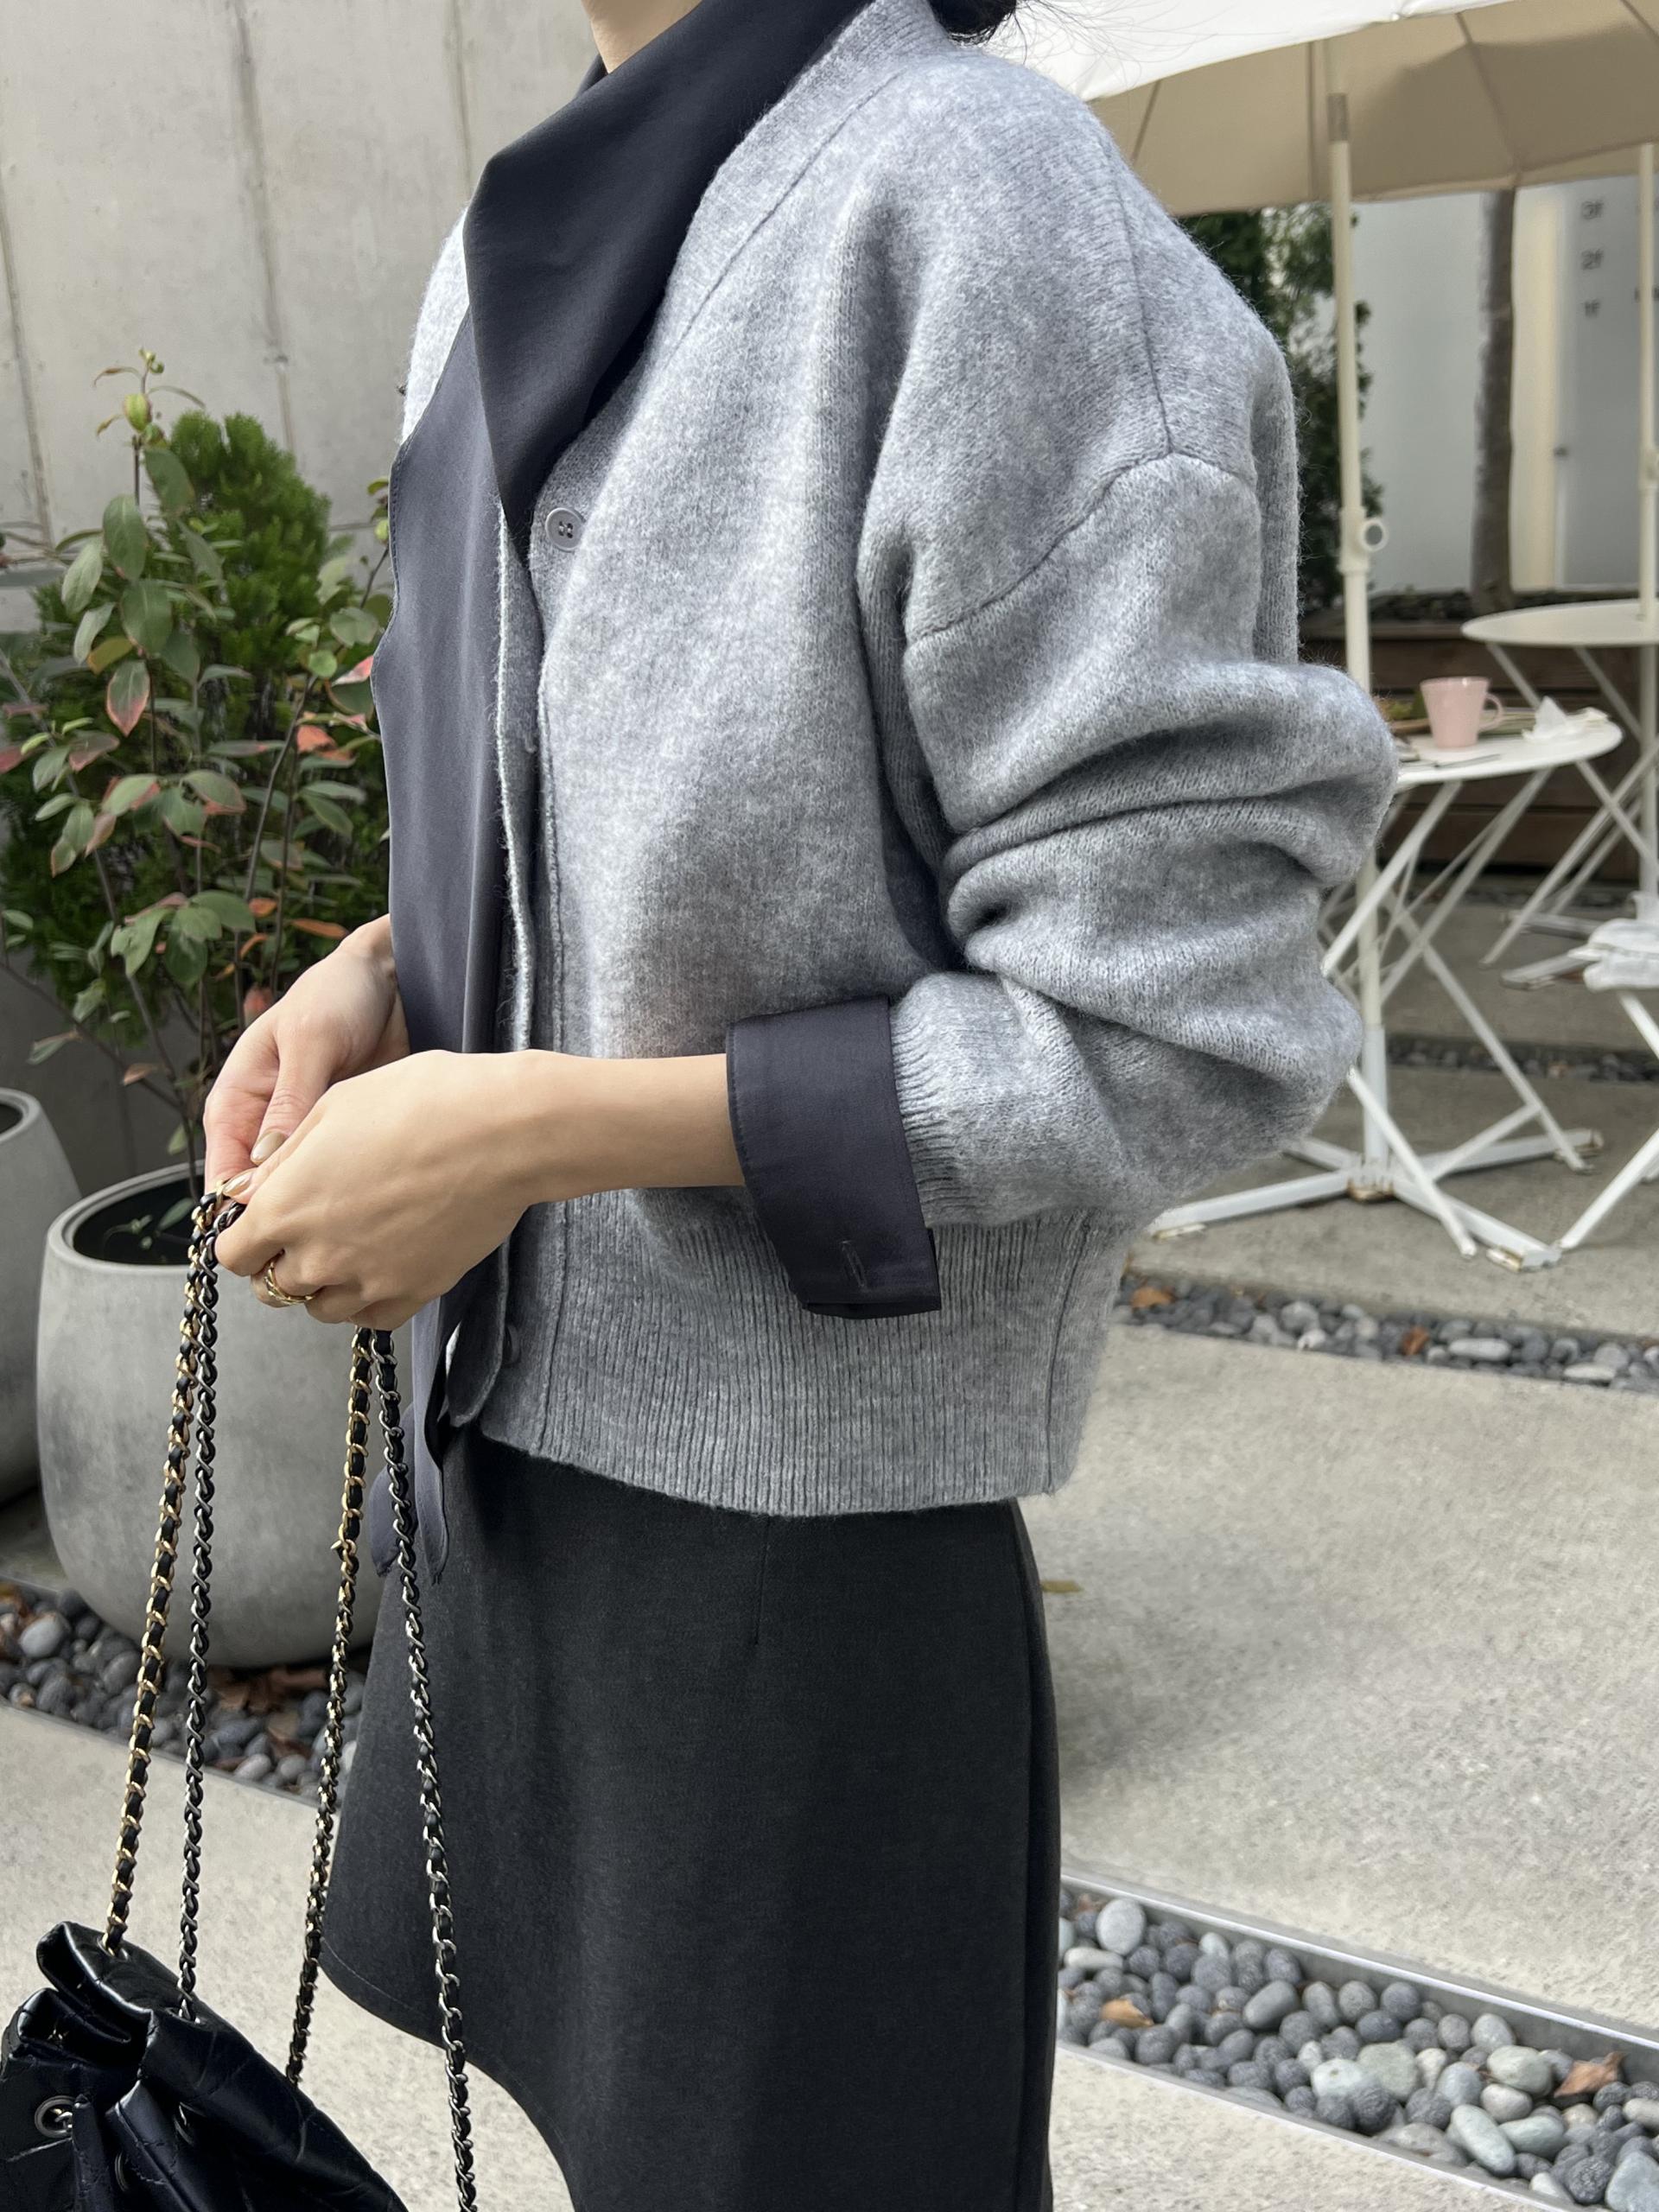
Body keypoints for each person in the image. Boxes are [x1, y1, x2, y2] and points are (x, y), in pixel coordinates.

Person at [203, 0, 1398, 2202]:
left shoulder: (988, 215)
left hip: (805, 1572)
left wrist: (527, 1132)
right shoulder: (531, 228)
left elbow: (1174, 1031)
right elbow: (583, 784)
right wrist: (384, 973)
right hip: (498, 1478)